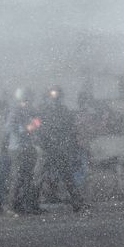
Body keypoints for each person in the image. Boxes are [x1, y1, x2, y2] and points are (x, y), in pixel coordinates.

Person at [35, 85, 84, 213]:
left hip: (59, 148)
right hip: (48, 148)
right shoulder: (43, 111)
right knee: (40, 177)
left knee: (66, 176)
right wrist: (42, 141)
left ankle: (77, 202)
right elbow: (37, 128)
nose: (54, 99)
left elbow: (70, 129)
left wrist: (69, 144)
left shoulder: (63, 111)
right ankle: (32, 203)